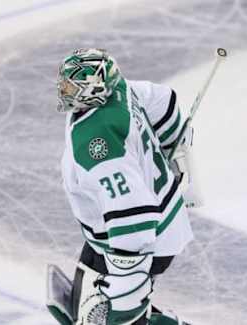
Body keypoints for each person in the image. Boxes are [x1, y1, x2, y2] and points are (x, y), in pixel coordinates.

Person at [57, 48, 194, 324]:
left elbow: (133, 215)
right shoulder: (119, 89)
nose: (64, 90)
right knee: (86, 306)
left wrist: (126, 285)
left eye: (72, 85)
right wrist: (175, 148)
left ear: (93, 88)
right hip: (117, 236)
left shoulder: (97, 145)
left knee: (121, 318)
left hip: (142, 243)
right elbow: (164, 103)